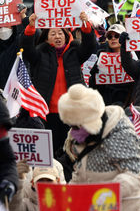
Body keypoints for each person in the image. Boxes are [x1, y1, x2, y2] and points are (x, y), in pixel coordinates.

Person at [58, 84, 140, 211]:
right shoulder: (83, 135)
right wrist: (67, 196)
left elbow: (135, 176)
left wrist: (101, 195)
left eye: (77, 126)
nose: (73, 131)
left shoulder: (120, 133)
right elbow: (81, 171)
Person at [22, 12, 96, 150]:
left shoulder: (75, 52)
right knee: (50, 151)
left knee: (72, 150)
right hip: (46, 114)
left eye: (60, 33)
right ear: (46, 38)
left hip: (72, 113)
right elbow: (26, 49)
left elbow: (90, 45)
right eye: (53, 33)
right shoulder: (39, 54)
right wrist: (31, 27)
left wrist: (86, 25)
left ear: (66, 35)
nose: (57, 36)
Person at [88, 23, 133, 107]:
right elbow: (94, 88)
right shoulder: (101, 57)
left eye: (117, 36)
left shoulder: (133, 56)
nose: (113, 39)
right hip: (107, 104)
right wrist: (94, 76)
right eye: (110, 37)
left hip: (127, 103)